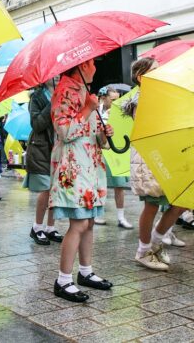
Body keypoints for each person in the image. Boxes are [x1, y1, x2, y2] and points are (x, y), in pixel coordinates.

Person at [50, 58, 114, 302]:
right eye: (91, 63)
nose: (95, 67)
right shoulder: (63, 91)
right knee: (78, 223)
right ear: (80, 65)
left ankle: (85, 271)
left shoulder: (87, 92)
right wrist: (87, 108)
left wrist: (104, 134)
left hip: (91, 165)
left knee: (89, 222)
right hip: (73, 165)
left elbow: (94, 134)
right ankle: (63, 280)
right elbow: (65, 132)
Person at [123, 58, 185, 272]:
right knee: (151, 205)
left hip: (165, 157)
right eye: (155, 71)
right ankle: (143, 251)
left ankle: (156, 243)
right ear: (141, 77)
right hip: (150, 160)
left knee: (181, 202)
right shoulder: (141, 101)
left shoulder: (159, 97)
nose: (160, 73)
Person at [24, 80, 63, 245]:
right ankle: (37, 227)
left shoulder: (64, 92)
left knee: (56, 189)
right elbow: (37, 124)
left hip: (60, 145)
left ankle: (50, 227)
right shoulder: (36, 97)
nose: (57, 75)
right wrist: (52, 103)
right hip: (42, 148)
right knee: (46, 189)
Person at [96, 85, 133, 229]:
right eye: (112, 100)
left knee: (119, 185)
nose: (115, 102)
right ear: (103, 98)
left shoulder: (119, 111)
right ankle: (98, 214)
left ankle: (121, 217)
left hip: (115, 149)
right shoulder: (96, 111)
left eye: (117, 99)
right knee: (99, 183)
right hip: (101, 150)